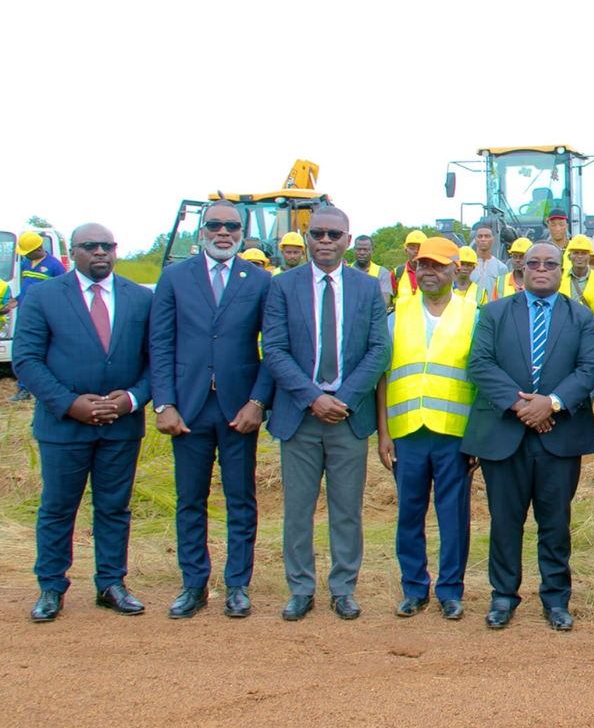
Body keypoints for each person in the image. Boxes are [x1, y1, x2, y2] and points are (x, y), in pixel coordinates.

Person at [17, 224, 153, 622]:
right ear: (71, 253)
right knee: (58, 508)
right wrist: (69, 403)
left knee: (114, 507)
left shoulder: (139, 298)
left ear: (115, 251)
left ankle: (111, 584)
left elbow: (155, 360)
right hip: (64, 426)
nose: (99, 252)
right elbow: (27, 359)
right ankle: (51, 586)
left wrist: (131, 400)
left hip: (121, 425)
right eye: (89, 246)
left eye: (106, 246)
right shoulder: (43, 296)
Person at [464, 240, 594, 632]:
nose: (542, 268)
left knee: (555, 522)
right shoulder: (493, 313)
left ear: (561, 271)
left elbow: (589, 368)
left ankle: (556, 600)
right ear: (520, 269)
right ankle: (503, 597)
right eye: (534, 263)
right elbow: (480, 363)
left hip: (560, 436)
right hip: (504, 434)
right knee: (505, 521)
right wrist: (522, 406)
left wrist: (552, 403)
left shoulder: (580, 316)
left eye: (551, 264)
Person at [262, 207, 391, 622]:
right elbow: (275, 349)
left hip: (346, 416)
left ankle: (343, 589)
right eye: (317, 233)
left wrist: (345, 398)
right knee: (298, 510)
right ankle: (301, 588)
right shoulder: (282, 286)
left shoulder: (367, 287)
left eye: (334, 234)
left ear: (347, 240)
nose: (325, 240)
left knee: (346, 509)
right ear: (306, 236)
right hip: (300, 416)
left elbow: (378, 350)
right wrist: (312, 397)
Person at [149, 200, 273, 620]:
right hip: (188, 409)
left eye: (232, 226)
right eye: (215, 225)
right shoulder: (174, 277)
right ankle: (193, 585)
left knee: (241, 499)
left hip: (238, 409)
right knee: (190, 500)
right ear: (201, 231)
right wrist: (163, 403)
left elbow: (272, 348)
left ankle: (237, 585)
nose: (224, 232)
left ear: (243, 232)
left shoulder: (259, 280)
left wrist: (258, 402)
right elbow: (161, 344)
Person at [376, 238, 479, 622]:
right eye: (422, 266)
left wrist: (477, 439)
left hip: (454, 434)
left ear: (456, 269)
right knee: (409, 514)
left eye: (437, 266)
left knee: (453, 515)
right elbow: (383, 378)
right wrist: (383, 434)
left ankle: (451, 591)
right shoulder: (396, 314)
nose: (429, 272)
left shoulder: (476, 315)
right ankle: (414, 588)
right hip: (407, 432)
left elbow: (482, 380)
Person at [11, 231, 65, 403]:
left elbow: (61, 293)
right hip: (24, 311)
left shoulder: (55, 266)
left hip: (44, 315)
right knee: (25, 349)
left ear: (39, 249)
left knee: (42, 350)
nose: (25, 255)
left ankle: (41, 389)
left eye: (27, 251)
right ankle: (23, 388)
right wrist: (16, 300)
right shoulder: (27, 262)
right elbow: (26, 286)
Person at [562, 235, 594, 344]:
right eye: (576, 253)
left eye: (584, 253)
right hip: (566, 333)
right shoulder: (561, 278)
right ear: (570, 256)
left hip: (591, 334)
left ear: (589, 257)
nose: (579, 257)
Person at [352, 234, 393, 309]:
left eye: (365, 250)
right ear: (354, 250)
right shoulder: (346, 270)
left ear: (372, 250)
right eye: (359, 249)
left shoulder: (382, 273)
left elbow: (385, 302)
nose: (362, 253)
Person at [469, 222, 511, 292]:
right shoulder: (467, 266)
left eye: (487, 236)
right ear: (475, 240)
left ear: (493, 240)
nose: (483, 239)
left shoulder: (501, 268)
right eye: (480, 236)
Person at [393, 230, 426, 301]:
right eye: (412, 248)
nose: (416, 251)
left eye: (419, 248)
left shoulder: (434, 273)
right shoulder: (397, 273)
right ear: (406, 251)